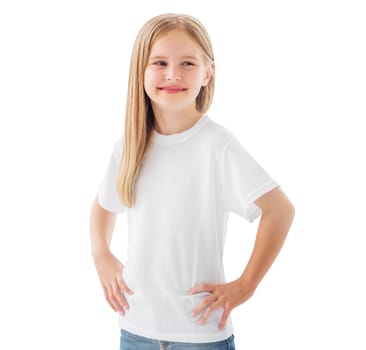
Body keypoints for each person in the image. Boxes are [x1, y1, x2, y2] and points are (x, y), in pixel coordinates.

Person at [89, 13, 295, 350]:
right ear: (140, 70)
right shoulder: (128, 146)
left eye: (187, 63)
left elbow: (279, 210)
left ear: (208, 71)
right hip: (136, 332)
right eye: (159, 62)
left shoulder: (217, 145)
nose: (173, 74)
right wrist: (101, 254)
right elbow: (102, 207)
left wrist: (245, 286)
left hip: (200, 336)